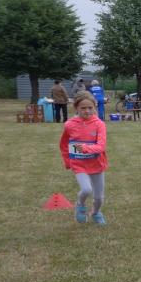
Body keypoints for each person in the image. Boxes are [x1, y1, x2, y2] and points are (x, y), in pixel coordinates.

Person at [59, 91, 108, 225]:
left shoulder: (99, 124)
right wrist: (67, 161)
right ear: (76, 108)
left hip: (97, 164)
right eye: (83, 108)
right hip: (79, 164)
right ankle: (80, 205)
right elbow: (64, 144)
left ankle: (96, 213)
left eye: (90, 108)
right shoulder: (69, 124)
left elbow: (101, 146)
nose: (87, 111)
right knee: (86, 189)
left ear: (95, 107)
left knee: (99, 198)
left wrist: (85, 148)